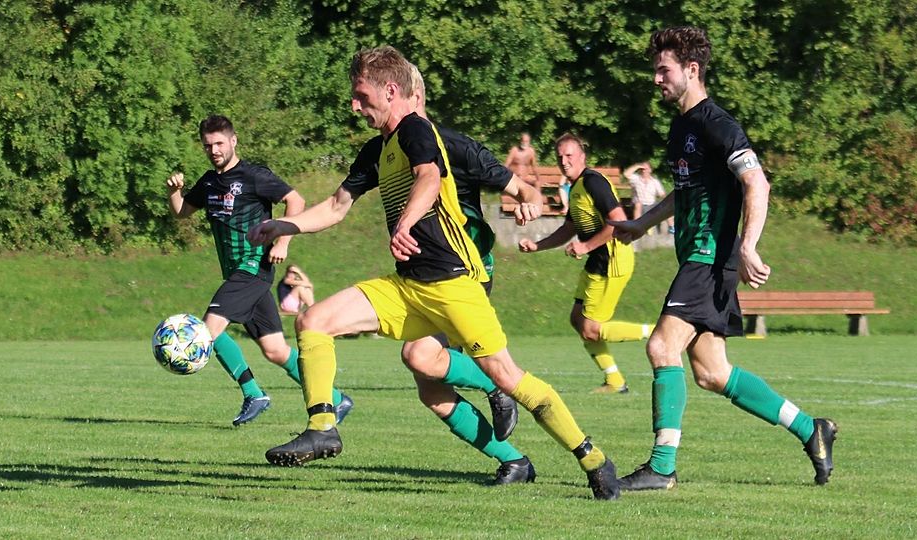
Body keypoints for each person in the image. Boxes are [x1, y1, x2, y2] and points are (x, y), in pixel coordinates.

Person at [248, 46, 622, 500]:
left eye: (360, 96)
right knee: (313, 321)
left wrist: (407, 221)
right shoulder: (377, 148)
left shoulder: (416, 130)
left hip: (453, 283)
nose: (354, 105)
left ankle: (592, 458)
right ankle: (324, 427)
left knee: (507, 376)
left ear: (391, 90)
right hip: (408, 285)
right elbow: (336, 206)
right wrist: (284, 225)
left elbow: (428, 177)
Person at [610, 26, 837, 490]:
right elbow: (685, 190)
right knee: (713, 372)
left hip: (709, 257)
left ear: (691, 70)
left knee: (660, 346)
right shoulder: (682, 127)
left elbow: (757, 183)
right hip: (698, 257)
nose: (656, 79)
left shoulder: (718, 123)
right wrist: (642, 223)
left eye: (663, 70)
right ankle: (811, 428)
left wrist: (749, 244)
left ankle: (662, 467)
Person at [396, 64, 545, 484]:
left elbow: (526, 190)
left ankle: (496, 385)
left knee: (419, 356)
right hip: (423, 276)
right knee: (429, 386)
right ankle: (514, 461)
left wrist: (529, 202)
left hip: (466, 270)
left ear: (412, 96)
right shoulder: (392, 150)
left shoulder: (457, 147)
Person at [166, 115, 353, 427]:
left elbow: (296, 201)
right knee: (276, 350)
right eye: (208, 145)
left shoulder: (253, 176)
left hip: (253, 268)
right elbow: (183, 212)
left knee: (207, 332)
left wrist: (283, 242)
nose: (214, 150)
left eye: (219, 143)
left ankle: (253, 393)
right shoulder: (209, 183)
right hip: (237, 274)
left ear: (233, 141)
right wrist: (174, 191)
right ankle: (335, 398)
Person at [519, 133, 652, 394]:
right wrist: (538, 246)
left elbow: (618, 220)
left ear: (582, 157)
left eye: (569, 155)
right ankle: (614, 381)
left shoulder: (593, 182)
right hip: (598, 260)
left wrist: (586, 246)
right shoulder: (577, 186)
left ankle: (661, 334)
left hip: (613, 260)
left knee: (591, 329)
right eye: (559, 156)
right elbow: (568, 229)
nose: (563, 161)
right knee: (577, 319)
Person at [623, 161, 673, 232]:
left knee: (667, 205)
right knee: (638, 204)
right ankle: (636, 227)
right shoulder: (636, 179)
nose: (644, 171)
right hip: (638, 206)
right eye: (642, 169)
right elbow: (626, 174)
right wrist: (637, 165)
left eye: (646, 169)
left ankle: (671, 227)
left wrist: (668, 201)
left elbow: (662, 194)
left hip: (651, 205)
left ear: (650, 170)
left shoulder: (655, 182)